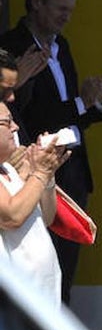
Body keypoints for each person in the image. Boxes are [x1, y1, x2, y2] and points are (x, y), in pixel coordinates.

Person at [0, 0, 102, 303]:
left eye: (70, 11)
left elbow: (68, 111)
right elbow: (29, 116)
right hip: (26, 166)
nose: (65, 17)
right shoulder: (11, 49)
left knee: (62, 265)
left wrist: (96, 100)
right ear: (36, 3)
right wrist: (21, 83)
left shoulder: (63, 46)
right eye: (60, 9)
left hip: (68, 167)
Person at [0, 95, 68, 305]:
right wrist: (40, 173)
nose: (16, 127)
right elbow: (12, 216)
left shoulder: (9, 170)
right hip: (16, 300)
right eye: (6, 122)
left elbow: (46, 217)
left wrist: (47, 176)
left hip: (41, 293)